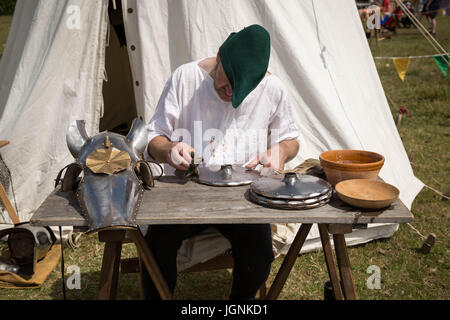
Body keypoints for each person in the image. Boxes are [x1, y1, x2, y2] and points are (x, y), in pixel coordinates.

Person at [142, 24, 300, 300]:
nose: (230, 94)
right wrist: (169, 150)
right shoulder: (185, 79)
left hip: (243, 197)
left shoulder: (272, 88)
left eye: (241, 90)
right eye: (227, 83)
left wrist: (280, 152)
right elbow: (153, 137)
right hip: (184, 192)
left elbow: (291, 139)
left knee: (259, 254)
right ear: (219, 56)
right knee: (156, 248)